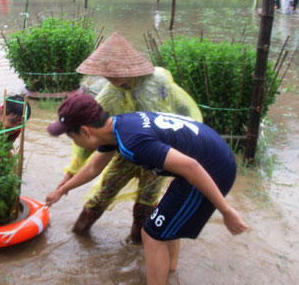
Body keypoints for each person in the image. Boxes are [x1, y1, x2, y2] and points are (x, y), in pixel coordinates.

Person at [45, 93, 249, 285]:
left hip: (212, 169)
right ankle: (170, 270)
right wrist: (62, 190)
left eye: (72, 138)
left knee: (151, 234)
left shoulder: (133, 143)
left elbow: (191, 166)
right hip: (208, 157)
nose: (75, 144)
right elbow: (93, 167)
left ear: (85, 131)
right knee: (164, 219)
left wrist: (226, 210)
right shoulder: (117, 127)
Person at [57, 32, 203, 243]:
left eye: (115, 72)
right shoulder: (108, 95)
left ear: (130, 69)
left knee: (145, 204)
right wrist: (71, 173)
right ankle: (79, 237)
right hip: (127, 152)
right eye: (106, 73)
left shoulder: (158, 84)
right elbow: (88, 136)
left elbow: (186, 113)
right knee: (102, 194)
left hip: (158, 156)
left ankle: (137, 244)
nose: (110, 77)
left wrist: (184, 156)